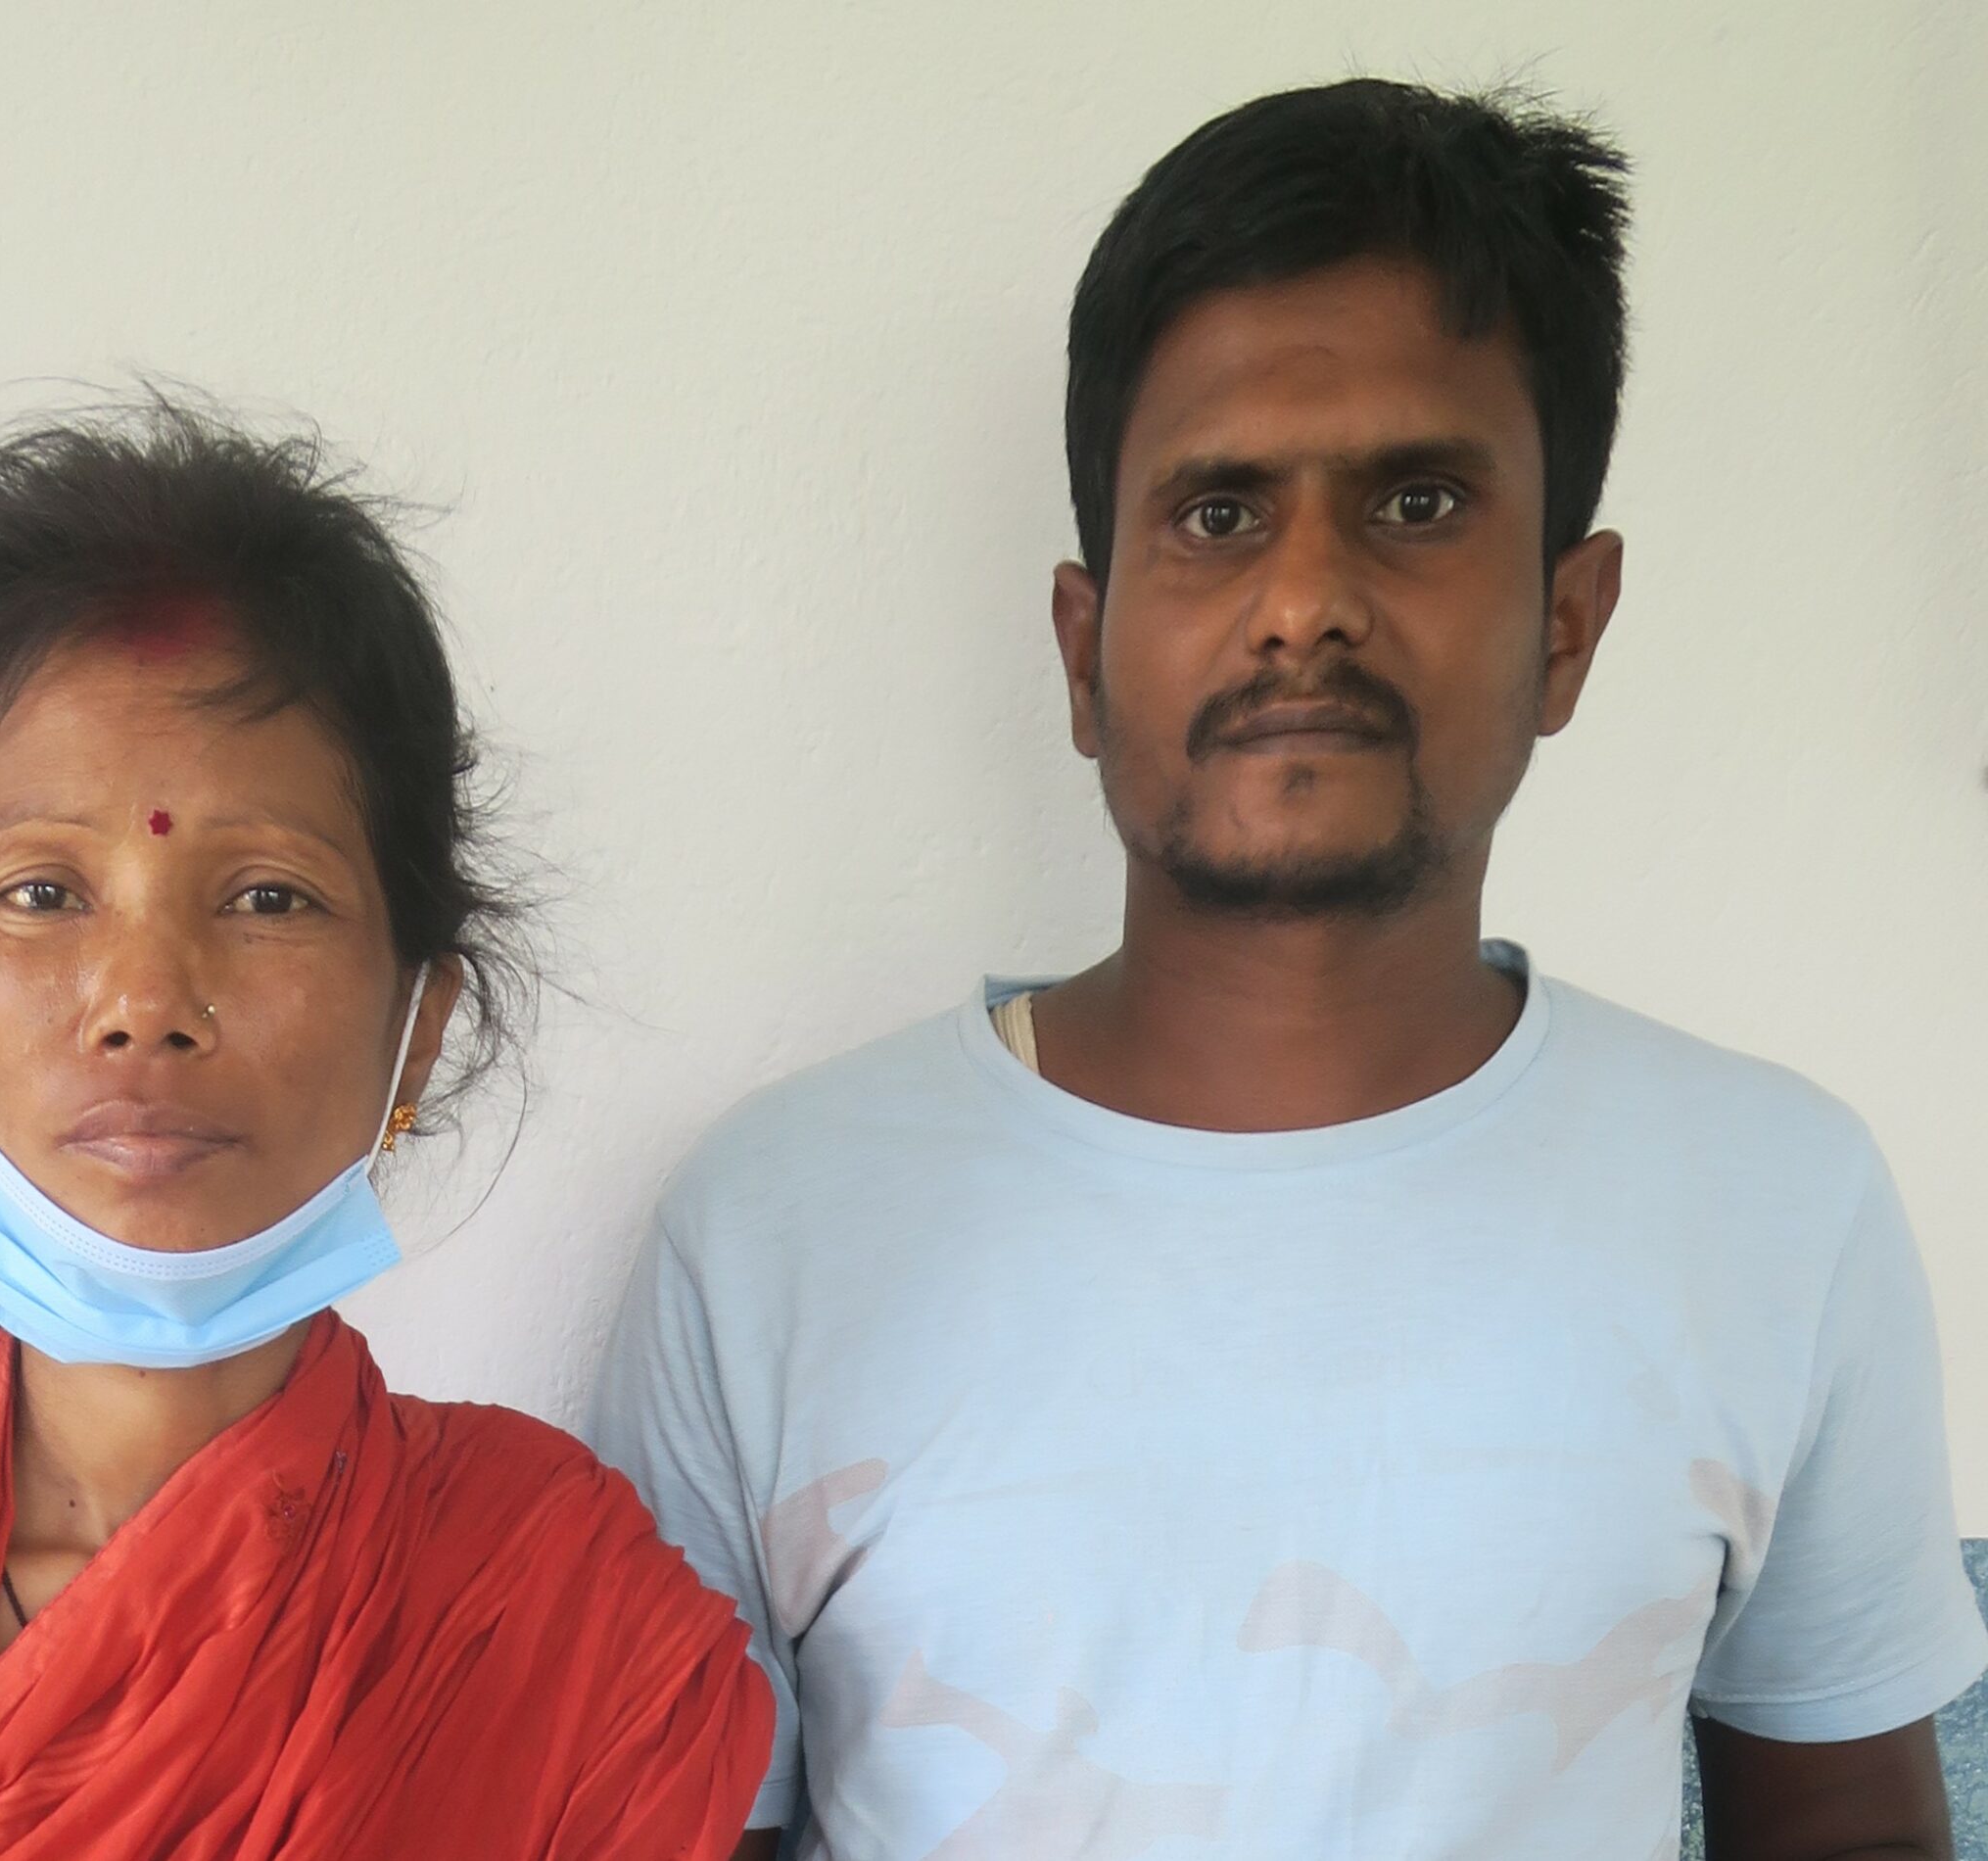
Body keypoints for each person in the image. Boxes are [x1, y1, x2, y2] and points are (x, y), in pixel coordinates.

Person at [593, 79, 1986, 1861]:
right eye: (1221, 513)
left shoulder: (1780, 1202)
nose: (1305, 599)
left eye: (1416, 499)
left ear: (1567, 624)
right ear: (1085, 654)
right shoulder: (777, 1228)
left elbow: (1849, 1827)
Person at [0, 399, 771, 1860]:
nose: (143, 1004)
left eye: (268, 898)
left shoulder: (565, 1621)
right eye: (43, 893)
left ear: (422, 1026)